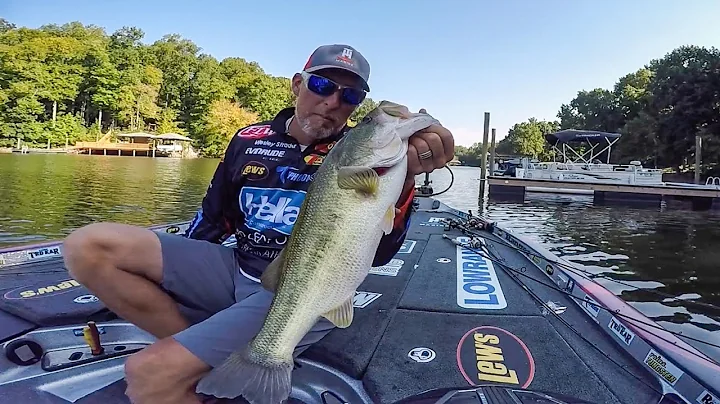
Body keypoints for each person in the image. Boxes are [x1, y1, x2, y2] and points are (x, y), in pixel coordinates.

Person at [62, 44, 455, 404]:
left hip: (302, 288)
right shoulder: (250, 138)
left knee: (149, 373)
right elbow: (214, 218)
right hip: (239, 266)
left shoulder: (362, 152)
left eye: (350, 96)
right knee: (90, 245)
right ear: (297, 85)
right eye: (322, 85)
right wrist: (171, 277)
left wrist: (404, 178)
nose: (333, 101)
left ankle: (206, 358)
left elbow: (381, 252)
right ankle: (202, 349)